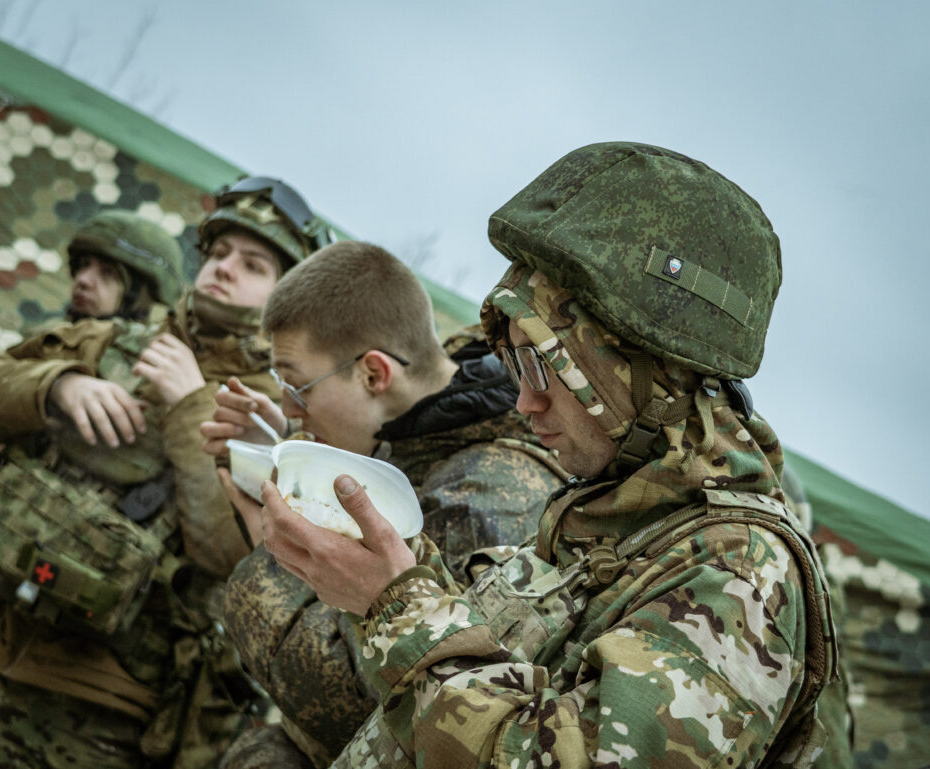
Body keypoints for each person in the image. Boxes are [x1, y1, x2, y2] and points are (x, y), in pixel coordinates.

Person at [250, 143, 844, 768]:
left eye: (545, 365)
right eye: (513, 365)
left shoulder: (739, 573)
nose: (526, 402)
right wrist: (396, 566)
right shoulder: (607, 516)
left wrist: (397, 607)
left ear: (638, 376)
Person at [0, 177, 330, 769]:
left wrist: (189, 407)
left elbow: (230, 552)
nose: (224, 269)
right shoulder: (106, 338)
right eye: (218, 253)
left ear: (288, 296)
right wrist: (56, 385)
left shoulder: (280, 415)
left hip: (100, 715)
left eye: (253, 264)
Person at [203, 240, 566, 767]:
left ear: (374, 374)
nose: (287, 405)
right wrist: (290, 442)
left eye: (297, 387)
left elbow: (362, 709)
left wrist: (273, 547)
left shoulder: (482, 500)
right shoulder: (428, 432)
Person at [0, 209, 186, 673]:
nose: (83, 281)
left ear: (144, 296)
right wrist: (58, 385)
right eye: (82, 268)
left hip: (32, 607)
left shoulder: (155, 382)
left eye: (107, 274)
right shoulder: (48, 346)